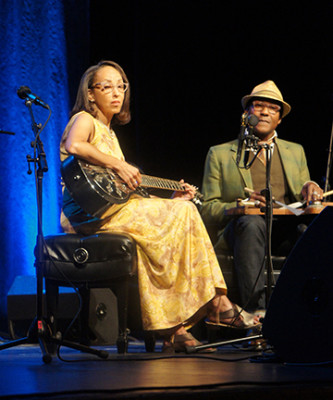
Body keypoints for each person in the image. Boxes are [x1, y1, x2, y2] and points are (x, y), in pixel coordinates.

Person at [59, 60, 260, 353]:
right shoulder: (84, 120)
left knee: (183, 212)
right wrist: (119, 163)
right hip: (88, 217)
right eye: (107, 86)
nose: (116, 93)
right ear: (91, 94)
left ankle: (176, 328)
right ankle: (215, 305)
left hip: (113, 210)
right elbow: (75, 145)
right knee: (184, 214)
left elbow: (123, 195)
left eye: (121, 86)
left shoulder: (110, 133)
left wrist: (169, 202)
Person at [201, 80, 323, 314]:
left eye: (273, 108)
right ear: (247, 113)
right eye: (258, 106)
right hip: (242, 231)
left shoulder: (295, 151)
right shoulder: (220, 154)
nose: (265, 112)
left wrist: (311, 187)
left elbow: (304, 194)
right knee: (251, 222)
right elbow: (207, 208)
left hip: (283, 229)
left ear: (280, 118)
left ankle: (306, 311)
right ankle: (259, 313)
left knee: (311, 230)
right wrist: (243, 204)